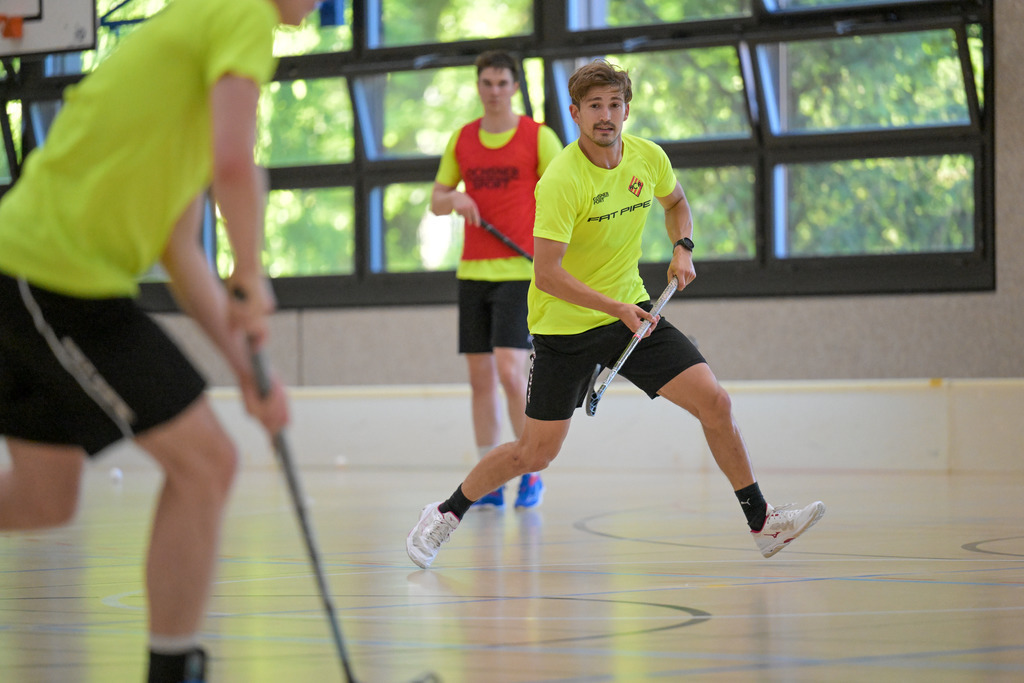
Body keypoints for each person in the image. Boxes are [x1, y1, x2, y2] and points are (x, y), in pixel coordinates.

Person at [0, 0, 320, 681]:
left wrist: (247, 371)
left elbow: (180, 249)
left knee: (43, 498)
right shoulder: (243, 15)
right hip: (48, 273)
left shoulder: (193, 53)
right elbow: (238, 165)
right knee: (208, 462)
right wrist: (254, 274)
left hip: (37, 272)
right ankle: (172, 670)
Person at [408, 59, 825, 569]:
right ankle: (445, 513)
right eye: (594, 107)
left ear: (627, 109)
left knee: (714, 402)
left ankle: (762, 523)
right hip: (565, 329)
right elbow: (546, 274)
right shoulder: (562, 179)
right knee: (533, 454)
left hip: (633, 313)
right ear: (576, 114)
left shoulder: (647, 158)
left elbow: (676, 202)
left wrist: (683, 247)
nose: (606, 116)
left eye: (614, 104)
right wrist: (614, 307)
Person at [430, 50, 563, 509]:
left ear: (515, 86)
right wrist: (455, 202)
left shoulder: (537, 137)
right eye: (486, 82)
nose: (494, 91)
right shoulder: (463, 140)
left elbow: (566, 193)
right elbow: (436, 197)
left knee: (510, 370)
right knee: (479, 378)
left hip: (520, 273)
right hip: (473, 273)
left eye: (502, 83)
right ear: (478, 86)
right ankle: (488, 480)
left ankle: (527, 468)